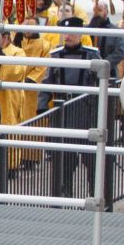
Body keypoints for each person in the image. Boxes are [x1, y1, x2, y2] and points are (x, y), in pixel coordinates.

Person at [40, 17, 106, 201]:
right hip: (64, 112)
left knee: (90, 158)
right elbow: (47, 81)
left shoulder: (92, 55)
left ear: (80, 35)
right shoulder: (56, 55)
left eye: (71, 33)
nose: (67, 36)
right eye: (65, 33)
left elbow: (104, 80)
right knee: (65, 159)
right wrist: (42, 105)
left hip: (85, 111)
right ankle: (65, 194)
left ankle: (95, 195)